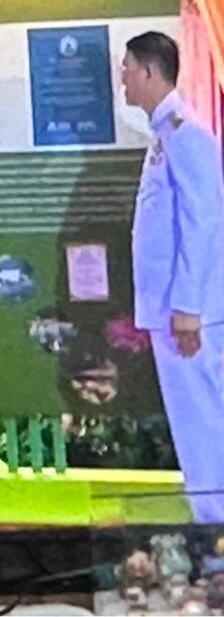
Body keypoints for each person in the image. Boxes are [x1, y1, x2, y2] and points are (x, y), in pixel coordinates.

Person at [122, 31, 224, 523]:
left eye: (126, 70)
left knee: (202, 422)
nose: (122, 80)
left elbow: (203, 224)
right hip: (173, 307)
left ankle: (215, 527)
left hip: (189, 312)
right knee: (195, 422)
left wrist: (187, 306)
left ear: (148, 72)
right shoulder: (165, 135)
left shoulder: (187, 135)